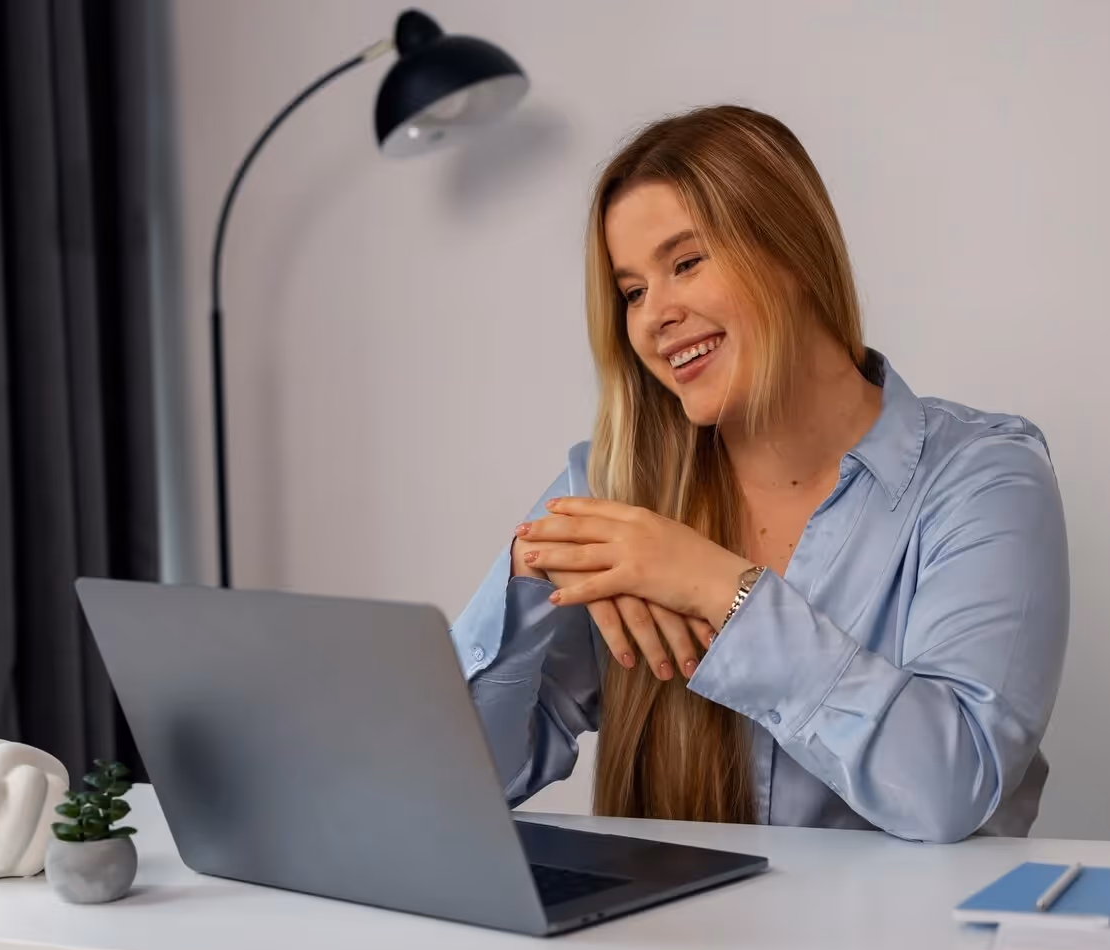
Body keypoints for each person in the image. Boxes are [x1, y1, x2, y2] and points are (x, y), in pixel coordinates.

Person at [450, 105, 1069, 843]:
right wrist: (522, 579)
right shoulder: (613, 487)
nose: (654, 317)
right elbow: (459, 791)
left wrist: (720, 589)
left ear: (793, 252)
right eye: (633, 291)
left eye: (685, 264)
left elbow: (953, 785)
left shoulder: (982, 480)